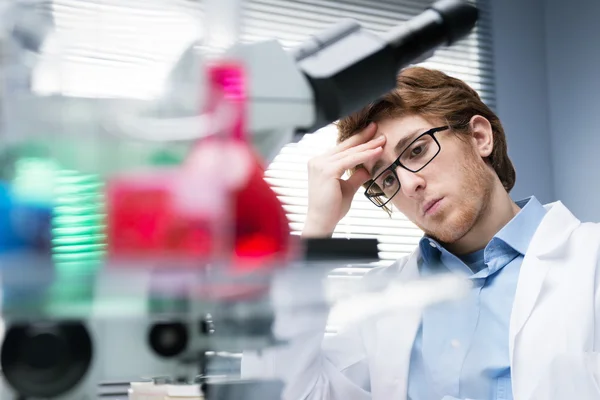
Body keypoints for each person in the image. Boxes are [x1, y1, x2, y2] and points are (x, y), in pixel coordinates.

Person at [241, 67, 600, 400]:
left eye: (417, 150)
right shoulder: (382, 300)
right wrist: (317, 232)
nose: (410, 184)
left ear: (479, 136)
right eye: (388, 179)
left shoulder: (590, 260)